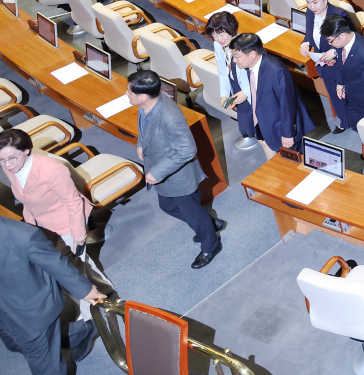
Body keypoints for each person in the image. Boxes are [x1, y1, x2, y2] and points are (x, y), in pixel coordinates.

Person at [0, 206, 104, 375]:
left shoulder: (23, 236)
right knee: (14, 344)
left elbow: (56, 264)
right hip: (2, 312)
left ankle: (78, 333)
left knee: (46, 369)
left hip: (33, 312)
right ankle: (81, 332)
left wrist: (85, 289)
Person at [129, 69, 223, 269]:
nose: (126, 94)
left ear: (143, 96)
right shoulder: (146, 106)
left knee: (192, 214)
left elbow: (187, 150)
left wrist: (158, 171)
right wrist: (140, 143)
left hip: (178, 176)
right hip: (162, 171)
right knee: (168, 206)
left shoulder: (169, 116)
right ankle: (208, 223)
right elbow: (145, 128)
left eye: (130, 92)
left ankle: (211, 245)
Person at [0, 128, 93, 254]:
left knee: (77, 265)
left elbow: (73, 203)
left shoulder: (52, 170)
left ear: (26, 150)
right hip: (39, 220)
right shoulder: (10, 167)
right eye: (1, 160)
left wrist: (78, 236)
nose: (7, 165)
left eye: (12, 158)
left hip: (66, 222)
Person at [228, 33, 316, 159]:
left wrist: (287, 133)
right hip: (266, 121)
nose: (234, 61)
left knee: (293, 163)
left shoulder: (276, 71)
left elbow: (287, 104)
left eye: (237, 56)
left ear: (252, 54)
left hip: (284, 128)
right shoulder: (251, 67)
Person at [320, 14, 364, 131]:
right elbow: (342, 65)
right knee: (356, 127)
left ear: (342, 35)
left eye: (330, 41)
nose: (330, 44)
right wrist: (340, 83)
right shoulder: (345, 42)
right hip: (353, 97)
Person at [299, 0, 351, 134]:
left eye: (315, 2)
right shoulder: (309, 13)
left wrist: (334, 51)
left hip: (341, 62)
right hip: (323, 64)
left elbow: (351, 40)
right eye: (308, 2)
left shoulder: (339, 15)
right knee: (334, 95)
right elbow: (309, 34)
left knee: (348, 93)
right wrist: (306, 43)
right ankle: (344, 121)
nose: (311, 7)